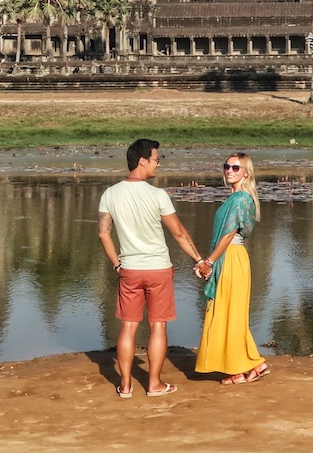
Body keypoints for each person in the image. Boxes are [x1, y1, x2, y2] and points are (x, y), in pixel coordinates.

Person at [98, 138, 209, 398]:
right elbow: (179, 233)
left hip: (129, 270)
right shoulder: (158, 195)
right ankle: (154, 384)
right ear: (142, 161)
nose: (159, 164)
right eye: (156, 159)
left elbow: (104, 234)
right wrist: (199, 260)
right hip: (158, 269)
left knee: (128, 326)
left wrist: (117, 264)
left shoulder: (109, 194)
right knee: (158, 325)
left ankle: (125, 386)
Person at [195, 152, 269, 384]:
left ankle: (238, 369)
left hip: (230, 257)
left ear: (246, 172)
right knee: (230, 312)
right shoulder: (240, 197)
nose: (229, 171)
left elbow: (228, 235)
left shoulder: (239, 199)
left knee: (228, 312)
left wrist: (209, 261)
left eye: (235, 168)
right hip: (234, 258)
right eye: (227, 166)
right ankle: (253, 365)